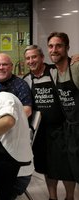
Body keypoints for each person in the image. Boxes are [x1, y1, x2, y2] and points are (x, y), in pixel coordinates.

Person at [23, 44, 76, 200]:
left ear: (42, 58)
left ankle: (70, 197)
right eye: (28, 58)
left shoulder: (54, 72)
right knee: (48, 166)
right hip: (42, 131)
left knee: (66, 166)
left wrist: (75, 58)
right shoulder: (27, 79)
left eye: (34, 57)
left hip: (62, 128)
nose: (31, 61)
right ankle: (52, 197)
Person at [47, 32, 79, 199]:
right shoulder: (54, 72)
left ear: (67, 48)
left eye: (58, 46)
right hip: (69, 130)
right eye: (51, 46)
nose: (54, 50)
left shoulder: (76, 67)